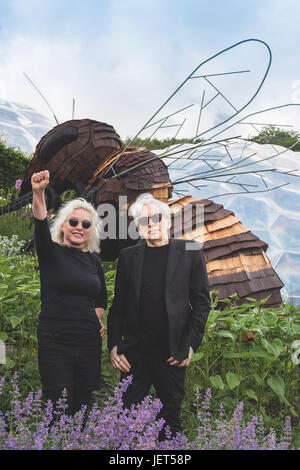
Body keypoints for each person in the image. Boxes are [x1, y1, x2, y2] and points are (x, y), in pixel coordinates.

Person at [107, 193, 211, 437]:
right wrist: (113, 345)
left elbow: (202, 303)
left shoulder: (190, 250)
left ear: (168, 221)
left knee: (171, 421)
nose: (151, 223)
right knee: (127, 422)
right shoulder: (128, 256)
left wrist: (190, 345)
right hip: (134, 354)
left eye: (156, 217)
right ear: (138, 227)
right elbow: (118, 307)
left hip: (171, 353)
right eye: (143, 221)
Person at [32, 170, 107, 416]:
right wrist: (39, 192)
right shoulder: (50, 252)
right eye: (73, 222)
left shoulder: (93, 261)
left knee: (82, 407)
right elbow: (41, 223)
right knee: (58, 408)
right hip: (55, 341)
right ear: (63, 225)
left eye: (86, 224)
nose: (79, 227)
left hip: (88, 343)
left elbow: (101, 298)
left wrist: (98, 318)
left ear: (90, 231)